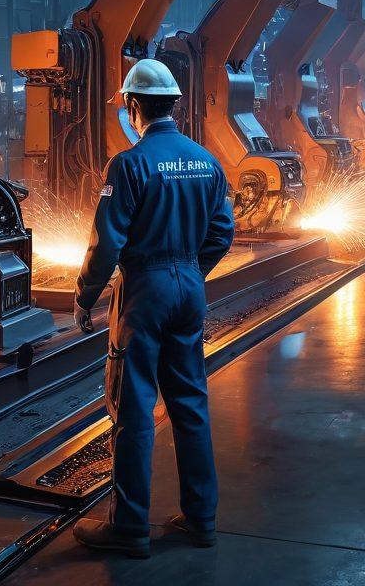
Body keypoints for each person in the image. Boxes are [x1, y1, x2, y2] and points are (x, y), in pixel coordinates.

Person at [72, 57, 235, 559]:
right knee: (190, 404)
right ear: (175, 104)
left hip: (144, 292)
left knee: (133, 407)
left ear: (133, 104)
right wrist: (188, 272)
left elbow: (106, 244)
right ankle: (201, 519)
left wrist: (85, 294)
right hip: (188, 284)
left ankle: (130, 528)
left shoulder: (129, 164)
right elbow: (222, 233)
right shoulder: (207, 161)